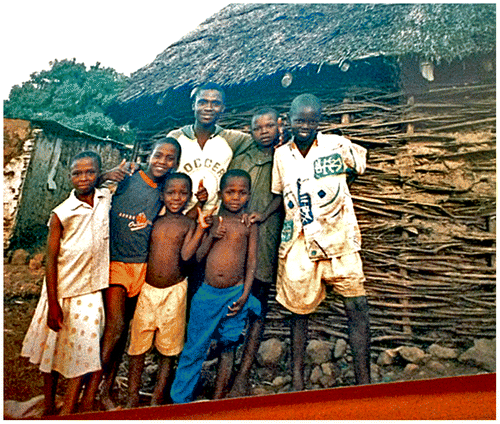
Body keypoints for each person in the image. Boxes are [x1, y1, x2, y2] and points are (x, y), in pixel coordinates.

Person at [271, 94, 371, 391]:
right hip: (299, 245)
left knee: (358, 306)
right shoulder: (281, 155)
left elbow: (358, 167)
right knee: (298, 312)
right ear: (288, 120)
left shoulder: (337, 145)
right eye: (300, 120)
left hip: (338, 238)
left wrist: (332, 200)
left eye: (312, 120)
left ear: (320, 121)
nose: (305, 126)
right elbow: (279, 194)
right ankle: (298, 379)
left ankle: (364, 381)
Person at [84, 137, 182, 411]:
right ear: (149, 155)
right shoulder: (127, 177)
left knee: (124, 330)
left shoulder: (165, 189)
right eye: (158, 155)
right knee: (113, 328)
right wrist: (104, 175)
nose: (162, 161)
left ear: (175, 164)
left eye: (169, 158)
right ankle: (89, 393)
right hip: (116, 262)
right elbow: (90, 185)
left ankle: (105, 389)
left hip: (142, 267)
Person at [21, 151, 112, 416]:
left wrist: (105, 176)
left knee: (86, 351)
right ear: (69, 176)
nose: (84, 178)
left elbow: (106, 179)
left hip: (92, 290)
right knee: (51, 351)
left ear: (99, 173)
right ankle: (49, 403)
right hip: (61, 291)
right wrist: (52, 304)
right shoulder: (62, 213)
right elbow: (50, 261)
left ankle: (69, 409)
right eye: (76, 173)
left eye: (90, 172)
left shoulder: (105, 197)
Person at [170, 169, 261, 404]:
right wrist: (212, 235)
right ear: (220, 194)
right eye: (230, 192)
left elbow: (252, 262)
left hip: (234, 294)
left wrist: (245, 294)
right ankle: (180, 400)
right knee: (194, 347)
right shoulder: (213, 221)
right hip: (208, 294)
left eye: (242, 193)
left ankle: (219, 399)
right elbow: (197, 258)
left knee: (228, 346)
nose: (235, 197)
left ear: (249, 196)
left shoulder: (249, 224)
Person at [126, 173, 213, 408]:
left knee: (169, 350)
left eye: (183, 193)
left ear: (190, 196)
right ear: (162, 195)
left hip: (175, 292)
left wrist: (201, 229)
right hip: (147, 291)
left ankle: (157, 398)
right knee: (138, 347)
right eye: (171, 192)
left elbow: (186, 256)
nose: (177, 197)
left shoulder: (188, 223)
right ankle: (132, 396)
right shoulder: (153, 219)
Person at [167, 82, 254, 300]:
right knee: (174, 271)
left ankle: (196, 328)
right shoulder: (176, 136)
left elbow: (262, 140)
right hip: (179, 217)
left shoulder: (233, 139)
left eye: (215, 103)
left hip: (212, 222)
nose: (208, 107)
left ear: (223, 108)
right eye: (203, 102)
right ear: (193, 106)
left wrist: (280, 136)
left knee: (200, 277)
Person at [227, 108, 284, 397]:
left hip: (265, 238)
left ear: (279, 126)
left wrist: (263, 214)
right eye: (258, 127)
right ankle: (226, 366)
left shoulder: (284, 157)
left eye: (269, 126)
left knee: (258, 303)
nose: (264, 131)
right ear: (250, 131)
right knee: (231, 298)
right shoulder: (241, 159)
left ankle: (244, 370)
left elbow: (283, 194)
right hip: (234, 239)